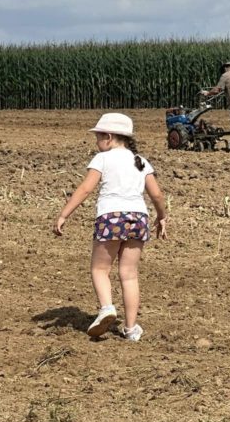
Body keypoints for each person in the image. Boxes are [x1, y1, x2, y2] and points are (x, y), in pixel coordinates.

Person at [53, 113, 167, 341]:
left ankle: (107, 308)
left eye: (97, 137)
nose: (97, 142)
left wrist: (64, 214)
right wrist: (162, 216)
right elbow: (156, 194)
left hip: (111, 218)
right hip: (139, 219)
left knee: (100, 269)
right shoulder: (142, 161)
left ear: (108, 136)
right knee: (129, 275)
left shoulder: (102, 159)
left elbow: (85, 189)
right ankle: (131, 329)